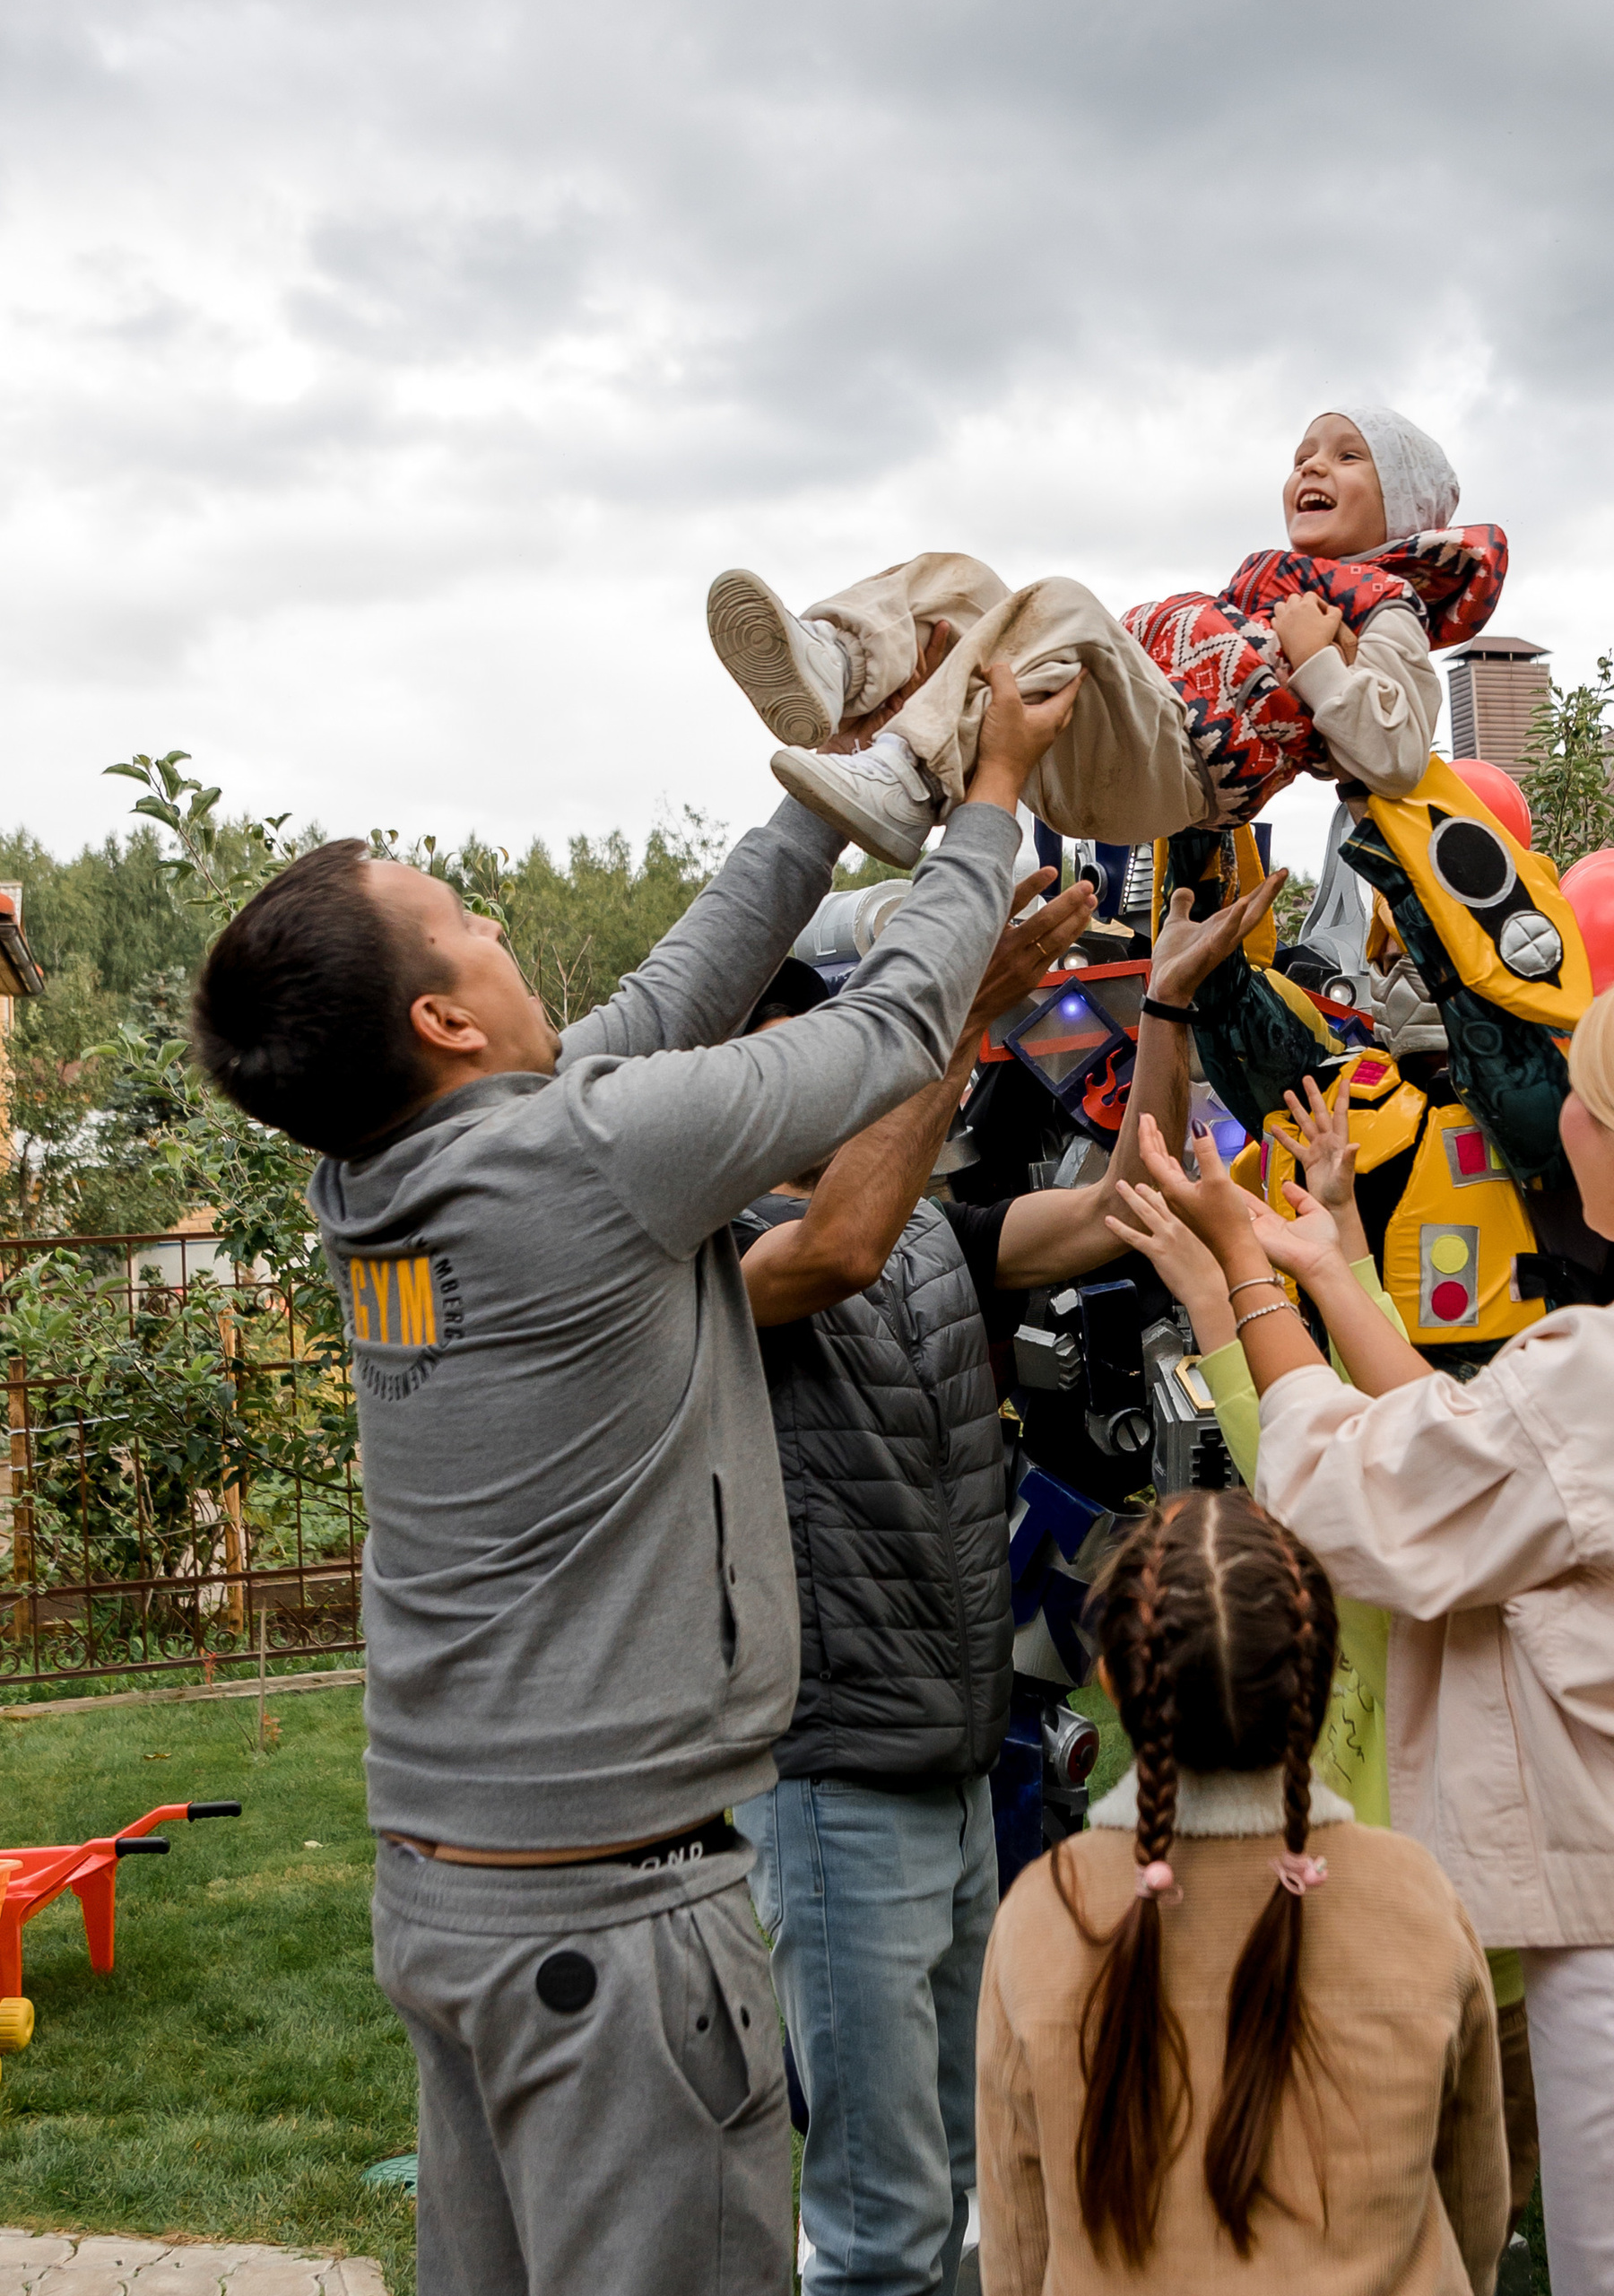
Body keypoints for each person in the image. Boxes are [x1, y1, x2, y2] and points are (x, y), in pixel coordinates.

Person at [186, 665, 1080, 2296]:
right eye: (473, 923)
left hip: (454, 1895)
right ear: (445, 1022)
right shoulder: (573, 1164)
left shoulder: (380, 1169)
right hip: (612, 1922)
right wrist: (989, 796)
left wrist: (834, 794)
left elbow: (677, 990)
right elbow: (881, 1031)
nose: (508, 934)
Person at [1134, 963, 1614, 2296]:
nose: (1558, 1114)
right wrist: (1329, 1268)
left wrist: (1248, 1288)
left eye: (1582, 1093)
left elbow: (1357, 1498)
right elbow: (1483, 1450)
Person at [726, 867, 1281, 2296]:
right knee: (876, 2215)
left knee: (990, 2175)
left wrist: (1161, 998)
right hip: (834, 1777)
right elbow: (834, 1249)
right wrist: (957, 1018)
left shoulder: (925, 1230)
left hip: (962, 1765)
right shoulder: (713, 1260)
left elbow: (1117, 1206)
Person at [1105, 1080, 1543, 2237]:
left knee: (1401, 2205)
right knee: (1472, 2205)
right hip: (1492, 1942)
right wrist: (1321, 1235)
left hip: (1405, 1941)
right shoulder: (1455, 1518)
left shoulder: (1360, 1546)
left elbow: (1298, 1414)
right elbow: (1362, 1399)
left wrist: (1218, 1275)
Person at [976, 1490, 1510, 2295]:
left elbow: (1016, 2252)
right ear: (1324, 1672)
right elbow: (1476, 2211)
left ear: (1115, 1680)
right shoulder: (1416, 1896)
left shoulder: (1044, 1914)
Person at [706, 405, 1506, 865]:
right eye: (1301, 457)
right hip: (1106, 730)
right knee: (963, 581)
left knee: (1061, 602)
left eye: (1346, 456)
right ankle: (838, 668)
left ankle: (905, 778)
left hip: (1174, 771)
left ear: (1399, 502)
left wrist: (1321, 661)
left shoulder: (1385, 604)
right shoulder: (1268, 583)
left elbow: (1400, 758)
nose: (1311, 469)